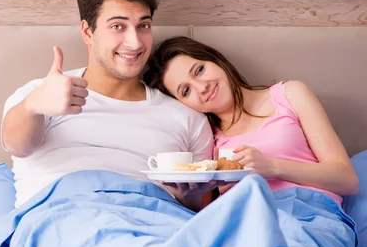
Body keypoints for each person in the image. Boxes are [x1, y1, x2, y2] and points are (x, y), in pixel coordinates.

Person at [1, 0, 217, 211]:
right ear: (87, 32)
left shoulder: (189, 120)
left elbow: (198, 213)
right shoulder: (41, 96)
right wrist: (33, 106)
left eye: (143, 25)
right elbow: (18, 146)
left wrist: (185, 195)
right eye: (118, 26)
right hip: (62, 223)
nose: (135, 42)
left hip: (156, 228)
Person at [143, 36, 359, 202]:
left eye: (199, 70)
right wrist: (192, 193)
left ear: (215, 60)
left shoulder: (290, 94)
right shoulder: (209, 142)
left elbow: (347, 180)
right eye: (186, 91)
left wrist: (273, 167)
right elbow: (208, 212)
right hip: (247, 224)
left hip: (308, 214)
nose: (202, 87)